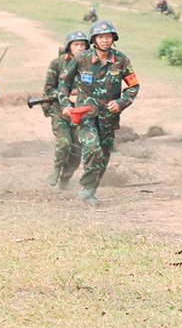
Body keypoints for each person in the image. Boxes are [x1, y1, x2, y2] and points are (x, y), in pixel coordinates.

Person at [57, 20, 140, 206]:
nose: (105, 40)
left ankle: (90, 190)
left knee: (102, 156)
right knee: (92, 148)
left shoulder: (121, 60)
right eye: (101, 37)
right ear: (94, 39)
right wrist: (64, 104)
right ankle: (86, 190)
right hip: (85, 115)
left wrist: (121, 102)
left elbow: (133, 85)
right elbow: (63, 83)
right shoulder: (81, 59)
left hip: (109, 118)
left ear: (113, 39)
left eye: (108, 37)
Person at [43, 31, 89, 189]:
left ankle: (65, 179)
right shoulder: (57, 64)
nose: (79, 48)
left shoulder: (91, 65)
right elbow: (48, 91)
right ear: (69, 46)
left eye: (82, 45)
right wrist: (66, 96)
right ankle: (57, 167)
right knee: (64, 144)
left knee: (77, 151)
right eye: (76, 45)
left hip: (82, 113)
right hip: (60, 111)